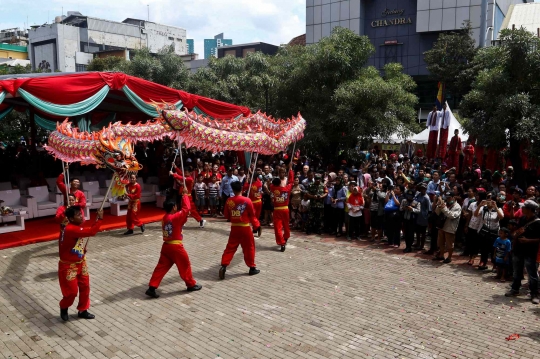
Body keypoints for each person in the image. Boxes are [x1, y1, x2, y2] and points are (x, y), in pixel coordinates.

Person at [146, 195, 202, 298]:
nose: (177, 207)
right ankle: (191, 284)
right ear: (173, 207)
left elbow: (179, 223)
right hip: (176, 247)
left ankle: (152, 287)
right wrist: (186, 195)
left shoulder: (165, 218)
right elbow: (186, 209)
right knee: (185, 265)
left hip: (166, 247)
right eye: (176, 206)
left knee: (161, 268)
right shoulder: (175, 217)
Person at [58, 206, 103, 321]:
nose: (81, 216)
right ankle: (64, 306)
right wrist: (100, 219)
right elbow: (92, 231)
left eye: (81, 214)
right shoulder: (71, 229)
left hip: (81, 262)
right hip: (68, 266)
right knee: (72, 292)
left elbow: (76, 242)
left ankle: (83, 310)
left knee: (85, 286)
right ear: (71, 219)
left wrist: (81, 250)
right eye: (78, 215)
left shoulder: (72, 226)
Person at [219, 181, 261, 279]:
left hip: (234, 227)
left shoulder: (229, 200)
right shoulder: (247, 200)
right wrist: (257, 226)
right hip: (245, 227)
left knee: (230, 247)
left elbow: (226, 215)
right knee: (249, 247)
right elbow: (252, 215)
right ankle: (251, 267)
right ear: (241, 188)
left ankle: (224, 265)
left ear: (232, 190)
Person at [505, 200, 540, 304]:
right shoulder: (522, 219)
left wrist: (528, 240)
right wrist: (513, 244)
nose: (522, 209)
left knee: (532, 274)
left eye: (524, 207)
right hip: (518, 250)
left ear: (529, 209)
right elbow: (517, 232)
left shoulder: (538, 222)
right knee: (517, 271)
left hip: (530, 251)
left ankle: (534, 294)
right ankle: (515, 289)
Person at [474, 192, 504, 270]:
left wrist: (496, 207)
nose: (489, 202)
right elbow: (475, 214)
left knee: (494, 249)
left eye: (490, 201)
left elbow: (501, 217)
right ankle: (483, 261)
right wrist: (480, 205)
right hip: (485, 231)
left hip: (494, 232)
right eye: (488, 200)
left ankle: (495, 264)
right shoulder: (484, 208)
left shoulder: (498, 209)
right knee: (484, 248)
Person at [170, 164, 206, 228]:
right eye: (185, 172)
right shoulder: (187, 177)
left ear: (190, 173)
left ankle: (200, 220)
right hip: (184, 196)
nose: (185, 173)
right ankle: (182, 222)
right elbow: (181, 174)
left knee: (191, 211)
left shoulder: (190, 179)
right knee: (184, 210)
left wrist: (174, 174)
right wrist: (175, 167)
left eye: (186, 172)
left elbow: (182, 177)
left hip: (188, 197)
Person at [269, 161, 294, 251]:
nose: (282, 174)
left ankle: (282, 241)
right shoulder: (286, 188)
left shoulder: (273, 188)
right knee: (284, 225)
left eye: (284, 172)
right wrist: (290, 169)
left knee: (278, 227)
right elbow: (291, 181)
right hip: (284, 210)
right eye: (281, 172)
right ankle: (285, 238)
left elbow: (271, 185)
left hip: (278, 210)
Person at [432, 190, 462, 263]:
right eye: (447, 198)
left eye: (449, 198)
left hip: (450, 227)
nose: (448, 199)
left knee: (449, 244)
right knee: (440, 242)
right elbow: (437, 212)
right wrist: (439, 206)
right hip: (441, 226)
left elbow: (451, 215)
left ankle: (449, 257)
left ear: (453, 197)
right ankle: (441, 255)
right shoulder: (445, 203)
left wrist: (444, 208)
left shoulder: (457, 207)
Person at [414, 183, 431, 251]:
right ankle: (417, 243)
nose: (422, 190)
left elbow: (429, 209)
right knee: (417, 231)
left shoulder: (426, 198)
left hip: (424, 216)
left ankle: (422, 245)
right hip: (417, 215)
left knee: (423, 232)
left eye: (424, 189)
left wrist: (428, 217)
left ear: (426, 189)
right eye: (421, 189)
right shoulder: (418, 195)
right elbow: (414, 201)